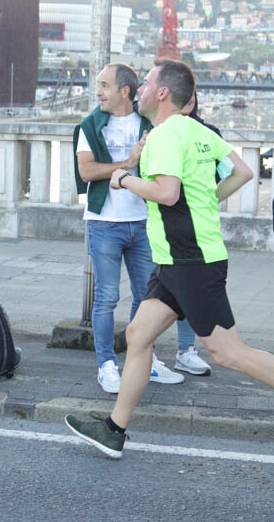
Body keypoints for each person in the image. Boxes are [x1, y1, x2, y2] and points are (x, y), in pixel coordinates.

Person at [65, 59, 274, 464]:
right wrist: (206, 200)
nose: (141, 87)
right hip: (176, 259)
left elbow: (165, 193)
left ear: (162, 93)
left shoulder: (165, 134)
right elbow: (242, 171)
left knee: (228, 352)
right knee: (138, 336)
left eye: (146, 82)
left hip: (190, 260)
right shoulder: (197, 131)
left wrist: (123, 179)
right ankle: (114, 430)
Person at [73, 63, 207, 394]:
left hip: (145, 221)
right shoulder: (90, 125)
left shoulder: (150, 120)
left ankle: (143, 361)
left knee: (146, 297)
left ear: (125, 91)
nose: (98, 91)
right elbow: (87, 172)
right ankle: (106, 365)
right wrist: (127, 163)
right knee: (106, 296)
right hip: (105, 223)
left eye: (104, 85)